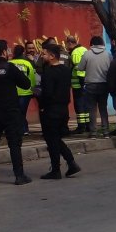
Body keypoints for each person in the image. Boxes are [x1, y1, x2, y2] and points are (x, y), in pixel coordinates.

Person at [0, 39, 32, 186]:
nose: (9, 52)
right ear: (3, 52)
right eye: (7, 50)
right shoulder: (10, 68)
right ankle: (19, 176)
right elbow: (26, 83)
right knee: (14, 144)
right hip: (10, 112)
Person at [38, 42, 82, 179]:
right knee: (56, 138)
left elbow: (47, 93)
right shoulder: (66, 70)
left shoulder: (48, 73)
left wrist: (40, 101)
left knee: (52, 140)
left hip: (51, 110)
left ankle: (57, 169)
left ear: (52, 56)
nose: (42, 56)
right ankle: (70, 163)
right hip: (63, 109)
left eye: (44, 54)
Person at [79, 36, 112, 138]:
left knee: (92, 109)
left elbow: (80, 67)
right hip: (104, 84)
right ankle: (106, 131)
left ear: (92, 44)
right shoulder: (108, 55)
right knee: (103, 108)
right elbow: (111, 69)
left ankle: (93, 132)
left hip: (90, 85)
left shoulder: (87, 54)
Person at [9, 44, 37, 135]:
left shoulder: (9, 63)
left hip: (12, 92)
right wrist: (33, 90)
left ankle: (19, 129)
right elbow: (32, 78)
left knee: (15, 111)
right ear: (23, 52)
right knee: (22, 112)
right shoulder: (27, 63)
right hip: (25, 92)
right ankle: (24, 129)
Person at [66, 35, 90, 134]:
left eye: (67, 44)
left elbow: (78, 69)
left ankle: (81, 127)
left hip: (78, 84)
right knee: (86, 105)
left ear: (70, 43)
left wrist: (81, 82)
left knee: (79, 106)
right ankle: (88, 125)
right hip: (87, 82)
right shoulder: (84, 49)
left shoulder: (75, 53)